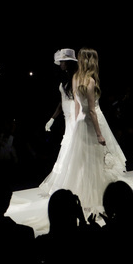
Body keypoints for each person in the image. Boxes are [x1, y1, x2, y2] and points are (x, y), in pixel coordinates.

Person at [51, 48, 133, 213]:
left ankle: (87, 195)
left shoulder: (75, 78)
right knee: (97, 161)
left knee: (84, 162)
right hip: (93, 123)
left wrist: (75, 125)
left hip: (81, 124)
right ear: (92, 61)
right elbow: (92, 111)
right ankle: (99, 196)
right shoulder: (90, 81)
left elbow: (77, 105)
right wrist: (99, 134)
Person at [39, 49, 80, 195]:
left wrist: (79, 118)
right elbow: (61, 101)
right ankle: (68, 180)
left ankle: (76, 180)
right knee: (68, 146)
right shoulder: (64, 78)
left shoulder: (76, 77)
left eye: (62, 61)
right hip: (67, 118)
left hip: (76, 116)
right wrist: (52, 118)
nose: (60, 64)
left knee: (73, 146)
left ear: (68, 62)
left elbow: (78, 100)